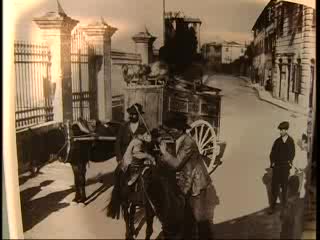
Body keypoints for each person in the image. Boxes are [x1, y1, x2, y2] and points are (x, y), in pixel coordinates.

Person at [159, 113, 219, 239]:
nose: (169, 132)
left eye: (171, 130)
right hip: (186, 182)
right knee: (187, 219)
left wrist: (164, 152)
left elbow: (176, 164)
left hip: (196, 183)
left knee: (199, 220)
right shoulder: (178, 139)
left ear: (180, 129)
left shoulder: (188, 142)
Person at [268, 121, 295, 214]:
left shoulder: (290, 141)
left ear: (286, 130)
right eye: (280, 130)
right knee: (274, 187)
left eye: (282, 130)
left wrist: (290, 162)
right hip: (277, 168)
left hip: (285, 167)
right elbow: (272, 153)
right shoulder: (277, 141)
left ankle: (284, 205)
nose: (280, 132)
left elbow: (292, 153)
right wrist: (272, 163)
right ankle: (273, 207)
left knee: (284, 186)